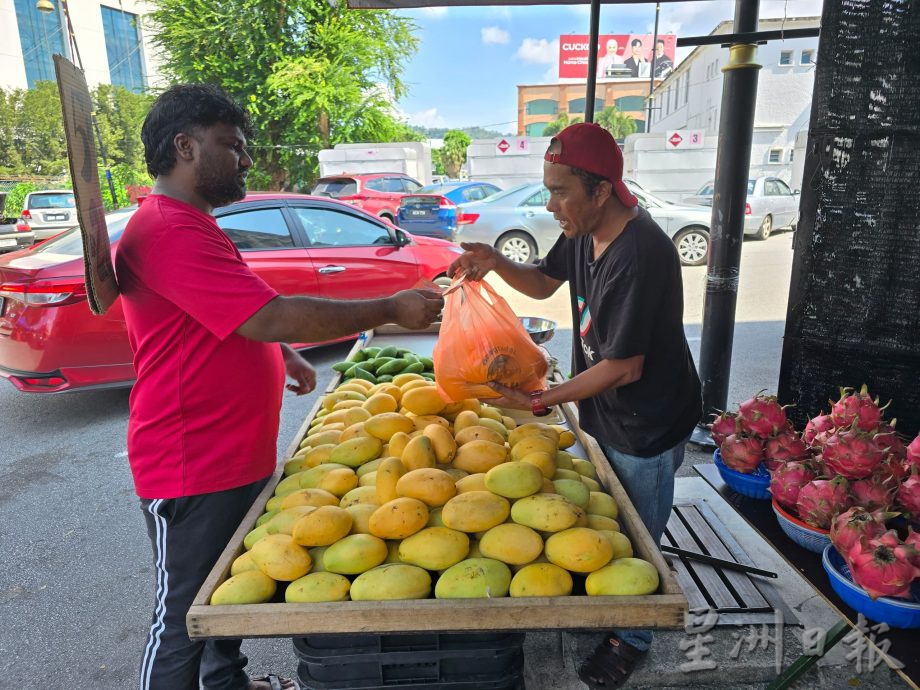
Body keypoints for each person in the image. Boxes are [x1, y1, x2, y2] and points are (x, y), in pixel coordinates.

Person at [115, 84, 443, 690]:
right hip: (190, 461)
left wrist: (279, 351)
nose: (244, 159)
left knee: (221, 602)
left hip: (230, 455)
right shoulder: (168, 229)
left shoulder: (195, 223)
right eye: (230, 146)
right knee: (183, 617)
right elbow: (267, 313)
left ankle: (228, 685)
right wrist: (389, 306)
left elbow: (233, 312)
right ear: (185, 147)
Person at [448, 122, 701, 689]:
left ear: (602, 190)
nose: (551, 203)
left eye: (560, 190)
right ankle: (611, 604)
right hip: (605, 410)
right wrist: (492, 261)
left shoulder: (641, 253)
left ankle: (632, 636)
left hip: (647, 422)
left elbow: (624, 367)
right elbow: (542, 284)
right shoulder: (584, 232)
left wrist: (542, 399)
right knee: (612, 520)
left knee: (640, 535)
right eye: (547, 188)